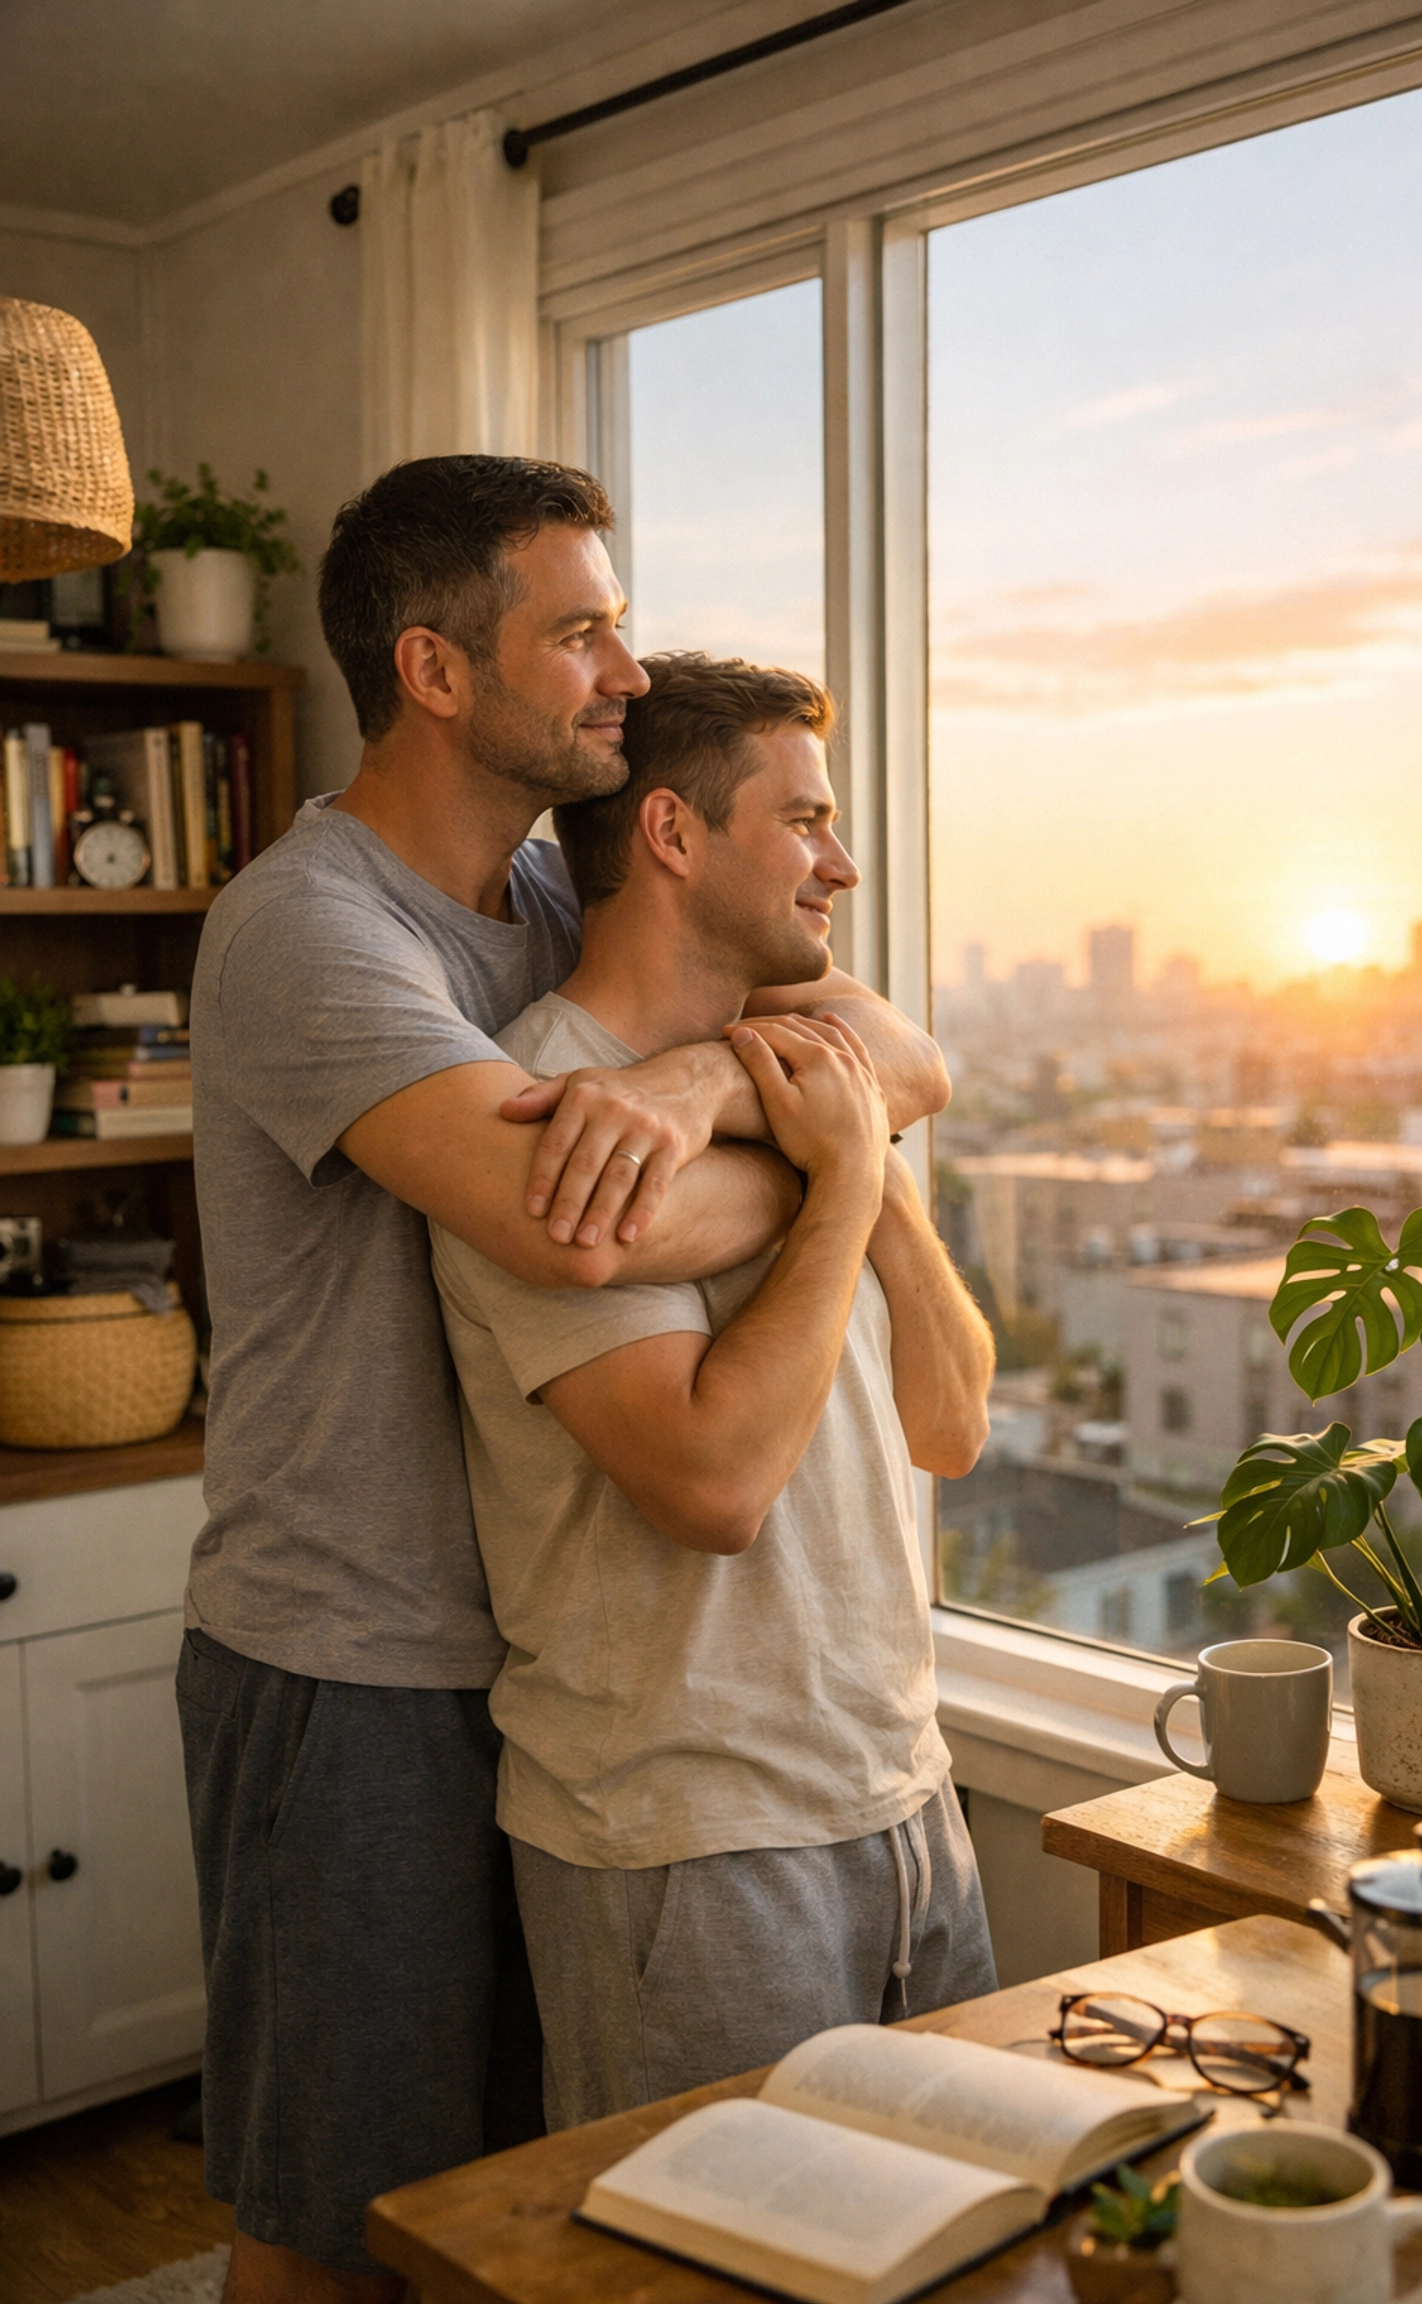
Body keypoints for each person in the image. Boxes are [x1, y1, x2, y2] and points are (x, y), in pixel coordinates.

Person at [180, 459, 948, 2303]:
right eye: (580, 628)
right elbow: (573, 1232)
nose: (620, 666)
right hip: (348, 1652)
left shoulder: (545, 900)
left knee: (533, 2208)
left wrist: (696, 1091)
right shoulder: (313, 930)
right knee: (338, 2214)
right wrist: (833, 1163)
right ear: (438, 672)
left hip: (545, 1662)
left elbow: (906, 1055)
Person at [430, 651, 998, 2128]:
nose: (844, 863)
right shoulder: (545, 1113)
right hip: (686, 1835)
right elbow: (714, 1487)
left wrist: (855, 1160)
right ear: (674, 835)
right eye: (803, 820)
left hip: (902, 1792)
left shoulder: (808, 1067)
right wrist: (836, 1180)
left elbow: (953, 1419)